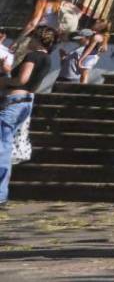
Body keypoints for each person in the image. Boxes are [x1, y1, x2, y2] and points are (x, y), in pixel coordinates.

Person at [1, 26, 57, 206]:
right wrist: (7, 69)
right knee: (6, 145)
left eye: (32, 38)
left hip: (14, 100)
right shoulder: (47, 59)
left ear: (38, 39)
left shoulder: (33, 56)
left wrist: (4, 80)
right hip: (26, 101)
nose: (29, 41)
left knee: (2, 145)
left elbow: (22, 80)